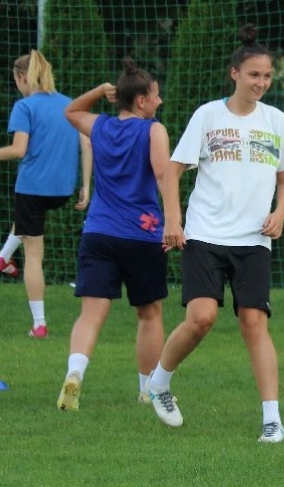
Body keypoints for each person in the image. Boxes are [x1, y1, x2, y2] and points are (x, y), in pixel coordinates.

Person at [146, 24, 284, 444]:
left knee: (255, 322)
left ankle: (272, 419)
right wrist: (173, 221)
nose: (262, 83)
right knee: (202, 318)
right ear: (234, 73)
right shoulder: (208, 115)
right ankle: (159, 383)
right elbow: (173, 172)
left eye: (267, 76)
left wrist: (280, 213)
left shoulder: (277, 120)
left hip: (254, 239)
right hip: (205, 234)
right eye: (254, 75)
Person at [56, 58, 170, 411]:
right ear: (141, 101)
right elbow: (165, 176)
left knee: (91, 314)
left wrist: (98, 91)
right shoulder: (154, 131)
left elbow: (71, 111)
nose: (159, 101)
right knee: (149, 315)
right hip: (143, 235)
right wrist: (175, 222)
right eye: (155, 96)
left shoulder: (100, 127)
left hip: (99, 233)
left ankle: (75, 373)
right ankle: (146, 389)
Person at [0, 49, 92, 338]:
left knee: (33, 255)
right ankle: (3, 258)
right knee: (27, 222)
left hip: (32, 187)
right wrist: (86, 185)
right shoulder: (70, 104)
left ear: (22, 78)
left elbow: (18, 150)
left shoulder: (25, 106)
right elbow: (87, 144)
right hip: (62, 189)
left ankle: (39, 324)